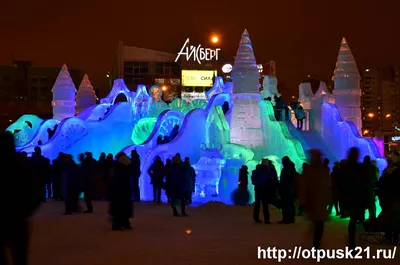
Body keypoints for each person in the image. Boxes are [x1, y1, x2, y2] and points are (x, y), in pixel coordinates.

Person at [0, 131, 42, 265]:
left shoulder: (20, 164)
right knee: (20, 256)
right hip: (18, 219)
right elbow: (35, 191)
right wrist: (24, 212)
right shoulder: (22, 164)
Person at [299, 149, 331, 249]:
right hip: (315, 201)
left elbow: (303, 187)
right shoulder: (321, 170)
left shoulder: (314, 170)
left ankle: (316, 244)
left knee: (318, 224)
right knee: (318, 224)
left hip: (316, 201)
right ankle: (316, 245)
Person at [342, 147, 368, 250]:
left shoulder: (346, 168)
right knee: (357, 219)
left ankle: (353, 243)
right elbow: (363, 183)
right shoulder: (359, 167)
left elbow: (343, 185)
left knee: (353, 221)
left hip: (351, 198)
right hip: (358, 197)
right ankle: (356, 243)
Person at [109, 152, 133, 230]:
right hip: (122, 191)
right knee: (121, 208)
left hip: (120, 191)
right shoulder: (122, 168)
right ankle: (119, 224)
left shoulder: (118, 167)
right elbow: (122, 180)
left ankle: (124, 223)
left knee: (121, 208)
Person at [279, 156, 298, 224]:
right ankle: (291, 219)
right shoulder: (292, 168)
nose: (282, 163)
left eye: (283, 161)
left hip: (286, 189)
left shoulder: (286, 169)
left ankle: (286, 219)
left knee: (286, 204)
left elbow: (285, 180)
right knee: (290, 204)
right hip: (290, 189)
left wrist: (281, 186)